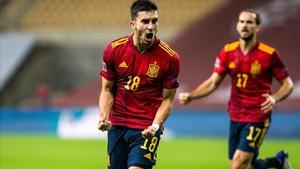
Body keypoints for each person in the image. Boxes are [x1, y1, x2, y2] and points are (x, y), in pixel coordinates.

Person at [178, 9, 294, 169]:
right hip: (236, 114)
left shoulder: (269, 54)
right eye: (242, 22)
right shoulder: (227, 52)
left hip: (258, 115)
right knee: (243, 165)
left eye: (249, 22)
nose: (245, 25)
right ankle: (278, 161)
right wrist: (192, 96)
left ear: (257, 27)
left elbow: (288, 84)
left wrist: (275, 98)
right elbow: (213, 82)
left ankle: (278, 161)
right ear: (237, 26)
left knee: (238, 164)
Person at [98, 0, 180, 169]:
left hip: (145, 129)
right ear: (133, 24)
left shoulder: (170, 58)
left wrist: (156, 126)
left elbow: (168, 100)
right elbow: (107, 89)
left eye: (154, 21)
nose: (151, 26)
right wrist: (103, 116)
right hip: (118, 126)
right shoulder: (113, 50)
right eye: (145, 21)